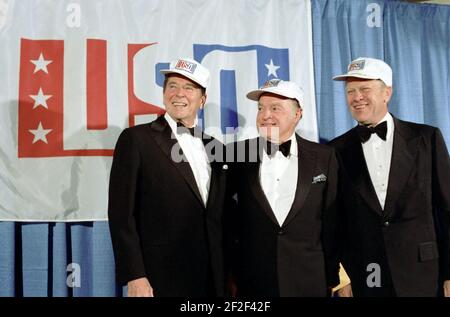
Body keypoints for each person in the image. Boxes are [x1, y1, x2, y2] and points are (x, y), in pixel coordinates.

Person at [329, 57, 450, 297]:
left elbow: (447, 208)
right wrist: (342, 278)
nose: (356, 97)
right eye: (350, 91)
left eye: (364, 89)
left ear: (387, 92)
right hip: (367, 273)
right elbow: (335, 221)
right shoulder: (336, 150)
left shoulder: (427, 138)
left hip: (422, 271)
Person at [108, 57, 228, 297]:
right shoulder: (137, 139)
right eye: (172, 86)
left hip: (212, 278)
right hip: (159, 278)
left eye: (188, 88)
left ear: (202, 100)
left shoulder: (217, 148)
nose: (178, 93)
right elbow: (122, 215)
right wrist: (135, 275)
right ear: (164, 94)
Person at [227, 79, 340, 296]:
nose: (265, 115)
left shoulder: (325, 157)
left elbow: (332, 221)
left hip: (310, 279)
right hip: (252, 280)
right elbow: (225, 219)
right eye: (261, 108)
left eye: (275, 108)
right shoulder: (235, 154)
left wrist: (330, 274)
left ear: (297, 114)